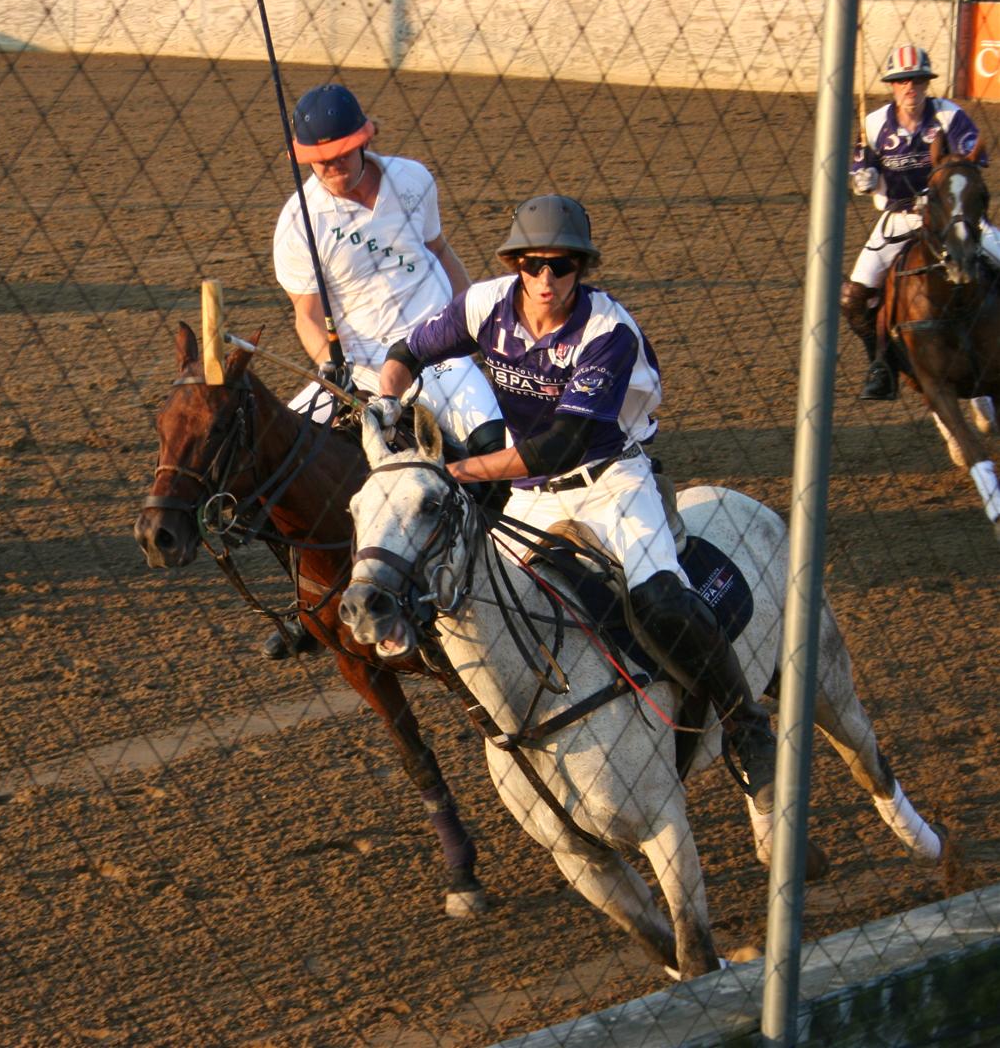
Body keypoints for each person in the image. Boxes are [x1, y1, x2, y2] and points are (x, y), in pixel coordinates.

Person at [368, 194, 780, 812]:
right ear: (516, 263)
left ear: (581, 269)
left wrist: (453, 470)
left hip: (612, 482)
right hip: (531, 497)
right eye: (532, 264)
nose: (544, 280)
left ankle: (744, 722)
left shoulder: (607, 332)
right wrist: (388, 398)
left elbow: (558, 446)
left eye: (560, 267)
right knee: (472, 597)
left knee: (659, 602)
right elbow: (408, 352)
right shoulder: (485, 305)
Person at [265, 83, 501, 659]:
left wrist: (475, 321)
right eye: (319, 162)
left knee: (496, 448)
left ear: (367, 140)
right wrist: (327, 363)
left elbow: (440, 250)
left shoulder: (413, 180)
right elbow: (307, 310)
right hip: (360, 367)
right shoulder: (299, 220)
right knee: (276, 470)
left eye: (342, 155)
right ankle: (314, 606)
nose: (333, 169)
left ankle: (496, 579)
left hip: (436, 349)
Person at [846, 43, 999, 401]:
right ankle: (881, 365)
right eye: (902, 82)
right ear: (892, 86)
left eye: (916, 81)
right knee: (854, 297)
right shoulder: (873, 124)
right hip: (899, 219)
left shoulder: (949, 116)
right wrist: (862, 178)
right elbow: (858, 170)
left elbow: (973, 160)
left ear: (927, 84)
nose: (909, 88)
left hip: (951, 218)